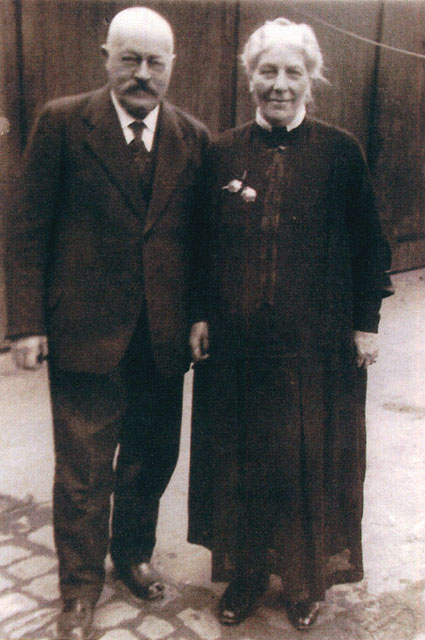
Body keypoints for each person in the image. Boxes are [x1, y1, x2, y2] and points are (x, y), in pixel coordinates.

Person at [5, 7, 209, 639]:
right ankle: (78, 589)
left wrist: (200, 315)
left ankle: (134, 556)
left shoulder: (192, 137)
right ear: (106, 58)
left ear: (172, 66)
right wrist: (26, 324)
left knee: (150, 458)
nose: (142, 74)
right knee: (84, 471)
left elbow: (202, 241)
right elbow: (27, 228)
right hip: (84, 334)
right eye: (130, 59)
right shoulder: (63, 123)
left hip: (162, 336)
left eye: (155, 62)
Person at [188, 17, 393, 632]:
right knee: (244, 459)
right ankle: (248, 574)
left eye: (292, 72)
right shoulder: (222, 152)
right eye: (267, 71)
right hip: (238, 348)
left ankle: (305, 582)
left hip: (316, 347)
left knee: (307, 461)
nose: (279, 84)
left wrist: (365, 324)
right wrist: (199, 314)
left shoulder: (340, 152)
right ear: (250, 78)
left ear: (311, 80)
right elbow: (201, 245)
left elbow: (371, 245)